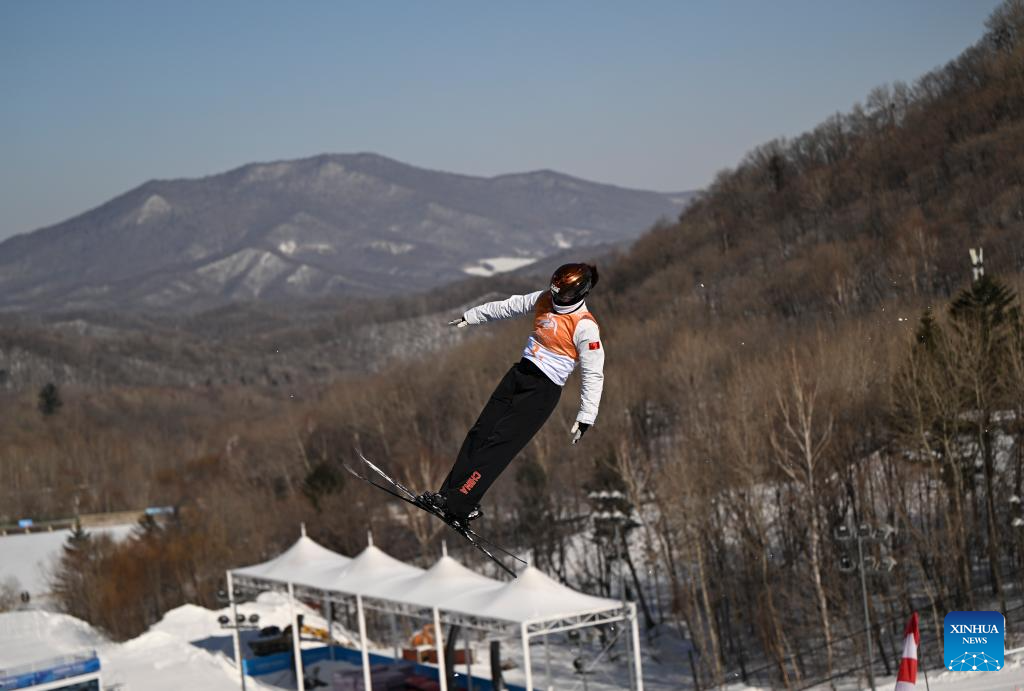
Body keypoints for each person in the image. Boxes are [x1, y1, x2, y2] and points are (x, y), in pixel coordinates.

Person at [421, 262, 605, 524]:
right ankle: (447, 494)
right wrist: (473, 315)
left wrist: (587, 415)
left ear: (579, 293)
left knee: (499, 445)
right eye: (555, 291)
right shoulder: (545, 299)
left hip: (543, 390)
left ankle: (461, 504)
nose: (556, 299)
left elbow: (593, 372)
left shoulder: (585, 327)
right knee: (479, 434)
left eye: (563, 295)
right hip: (519, 374)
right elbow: (510, 306)